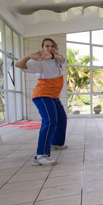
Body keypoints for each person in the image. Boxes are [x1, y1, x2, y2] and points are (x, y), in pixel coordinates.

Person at [15, 38, 67, 166]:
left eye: (52, 46)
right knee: (50, 121)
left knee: (62, 118)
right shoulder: (38, 62)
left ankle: (56, 143)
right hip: (42, 95)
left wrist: (52, 55)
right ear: (43, 48)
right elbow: (18, 65)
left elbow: (62, 58)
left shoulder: (57, 59)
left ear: (55, 48)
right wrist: (28, 56)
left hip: (54, 97)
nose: (49, 48)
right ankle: (41, 155)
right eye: (46, 46)